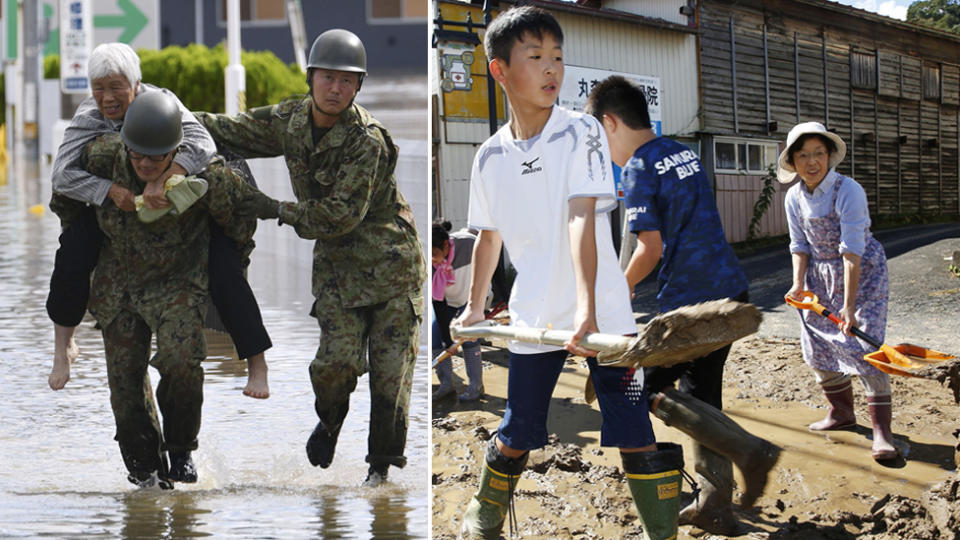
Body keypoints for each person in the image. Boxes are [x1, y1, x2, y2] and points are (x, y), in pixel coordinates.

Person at [452, 8, 685, 539]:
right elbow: (489, 237)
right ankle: (484, 517)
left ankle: (662, 533)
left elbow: (582, 215)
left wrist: (587, 310)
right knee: (517, 429)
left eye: (557, 57)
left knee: (632, 427)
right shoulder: (489, 157)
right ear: (500, 70)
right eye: (535, 57)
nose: (551, 68)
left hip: (603, 318)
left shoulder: (581, 131)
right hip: (536, 318)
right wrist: (472, 306)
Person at [194, 28, 425, 487]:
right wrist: (164, 115)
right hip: (340, 272)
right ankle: (331, 419)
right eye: (328, 78)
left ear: (358, 86)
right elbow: (228, 129)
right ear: (311, 77)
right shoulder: (291, 121)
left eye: (347, 81)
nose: (336, 88)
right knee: (334, 365)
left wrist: (273, 208)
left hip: (393, 269)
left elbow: (339, 216)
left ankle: (379, 474)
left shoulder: (368, 140)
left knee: (389, 380)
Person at [586, 75, 781, 534]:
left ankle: (752, 451)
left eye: (600, 137)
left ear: (610, 123)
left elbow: (648, 250)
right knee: (702, 398)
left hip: (691, 309)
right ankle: (716, 505)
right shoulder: (682, 152)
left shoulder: (636, 167)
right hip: (731, 293)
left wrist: (616, 288)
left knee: (638, 388)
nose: (604, 151)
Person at [52, 90, 260, 488]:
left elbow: (239, 219)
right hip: (121, 286)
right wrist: (101, 200)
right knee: (126, 389)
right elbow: (64, 195)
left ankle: (181, 449)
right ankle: (146, 474)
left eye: (157, 157)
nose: (146, 164)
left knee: (182, 365)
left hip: (178, 283)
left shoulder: (204, 175)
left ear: (177, 151)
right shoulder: (101, 158)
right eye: (137, 155)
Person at [46, 42, 271, 399]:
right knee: (73, 249)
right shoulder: (90, 116)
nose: (107, 97)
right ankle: (64, 346)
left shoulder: (160, 103)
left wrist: (165, 176)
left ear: (135, 85)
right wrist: (108, 190)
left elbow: (203, 143)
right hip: (116, 205)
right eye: (99, 87)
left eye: (116, 86)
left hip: (179, 197)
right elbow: (61, 175)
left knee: (224, 266)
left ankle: (257, 364)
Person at [780, 122, 897, 461]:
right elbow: (799, 245)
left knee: (865, 347)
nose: (811, 162)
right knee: (816, 345)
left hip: (861, 273)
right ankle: (841, 414)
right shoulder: (793, 197)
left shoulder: (849, 190)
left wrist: (848, 306)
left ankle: (882, 433)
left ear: (829, 156)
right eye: (803, 155)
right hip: (819, 277)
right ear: (793, 162)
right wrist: (799, 284)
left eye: (818, 153)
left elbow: (851, 251)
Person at [431, 220, 484, 402]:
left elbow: (489, 262)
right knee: (435, 336)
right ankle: (446, 384)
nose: (432, 260)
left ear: (446, 245)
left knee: (468, 338)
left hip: (471, 298)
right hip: (448, 301)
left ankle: (476, 386)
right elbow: (437, 304)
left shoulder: (468, 244)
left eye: (434, 255)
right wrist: (448, 341)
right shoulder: (430, 264)